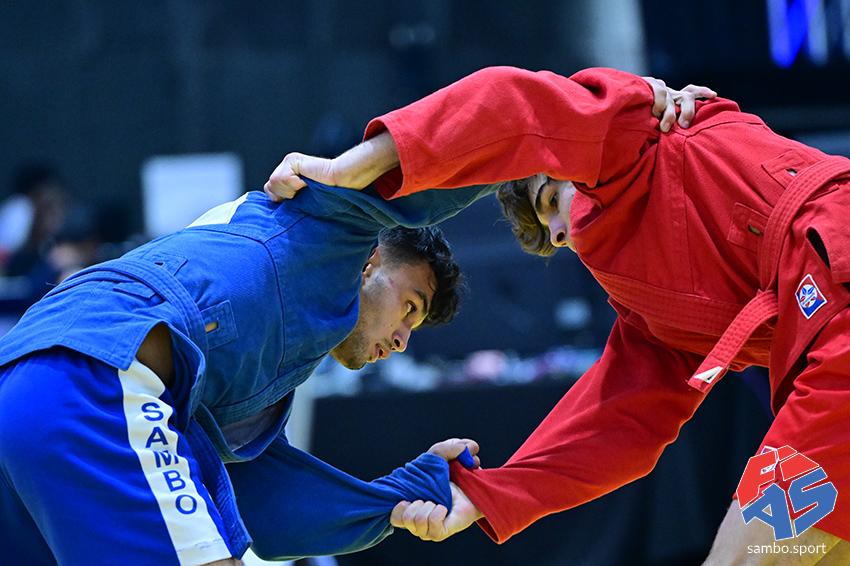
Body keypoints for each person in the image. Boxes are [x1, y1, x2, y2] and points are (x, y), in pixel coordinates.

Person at [264, 66, 850, 564]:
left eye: (551, 201)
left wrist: (354, 170)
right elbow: (619, 418)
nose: (561, 232)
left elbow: (511, 104)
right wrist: (489, 496)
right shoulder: (656, 311)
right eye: (549, 233)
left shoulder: (633, 134)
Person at [0, 176, 491, 564]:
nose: (402, 340)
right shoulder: (324, 241)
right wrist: (525, 156)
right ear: (370, 262)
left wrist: (408, 493)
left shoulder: (266, 354)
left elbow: (268, 507)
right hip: (99, 373)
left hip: (20, 376)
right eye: (409, 307)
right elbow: (427, 172)